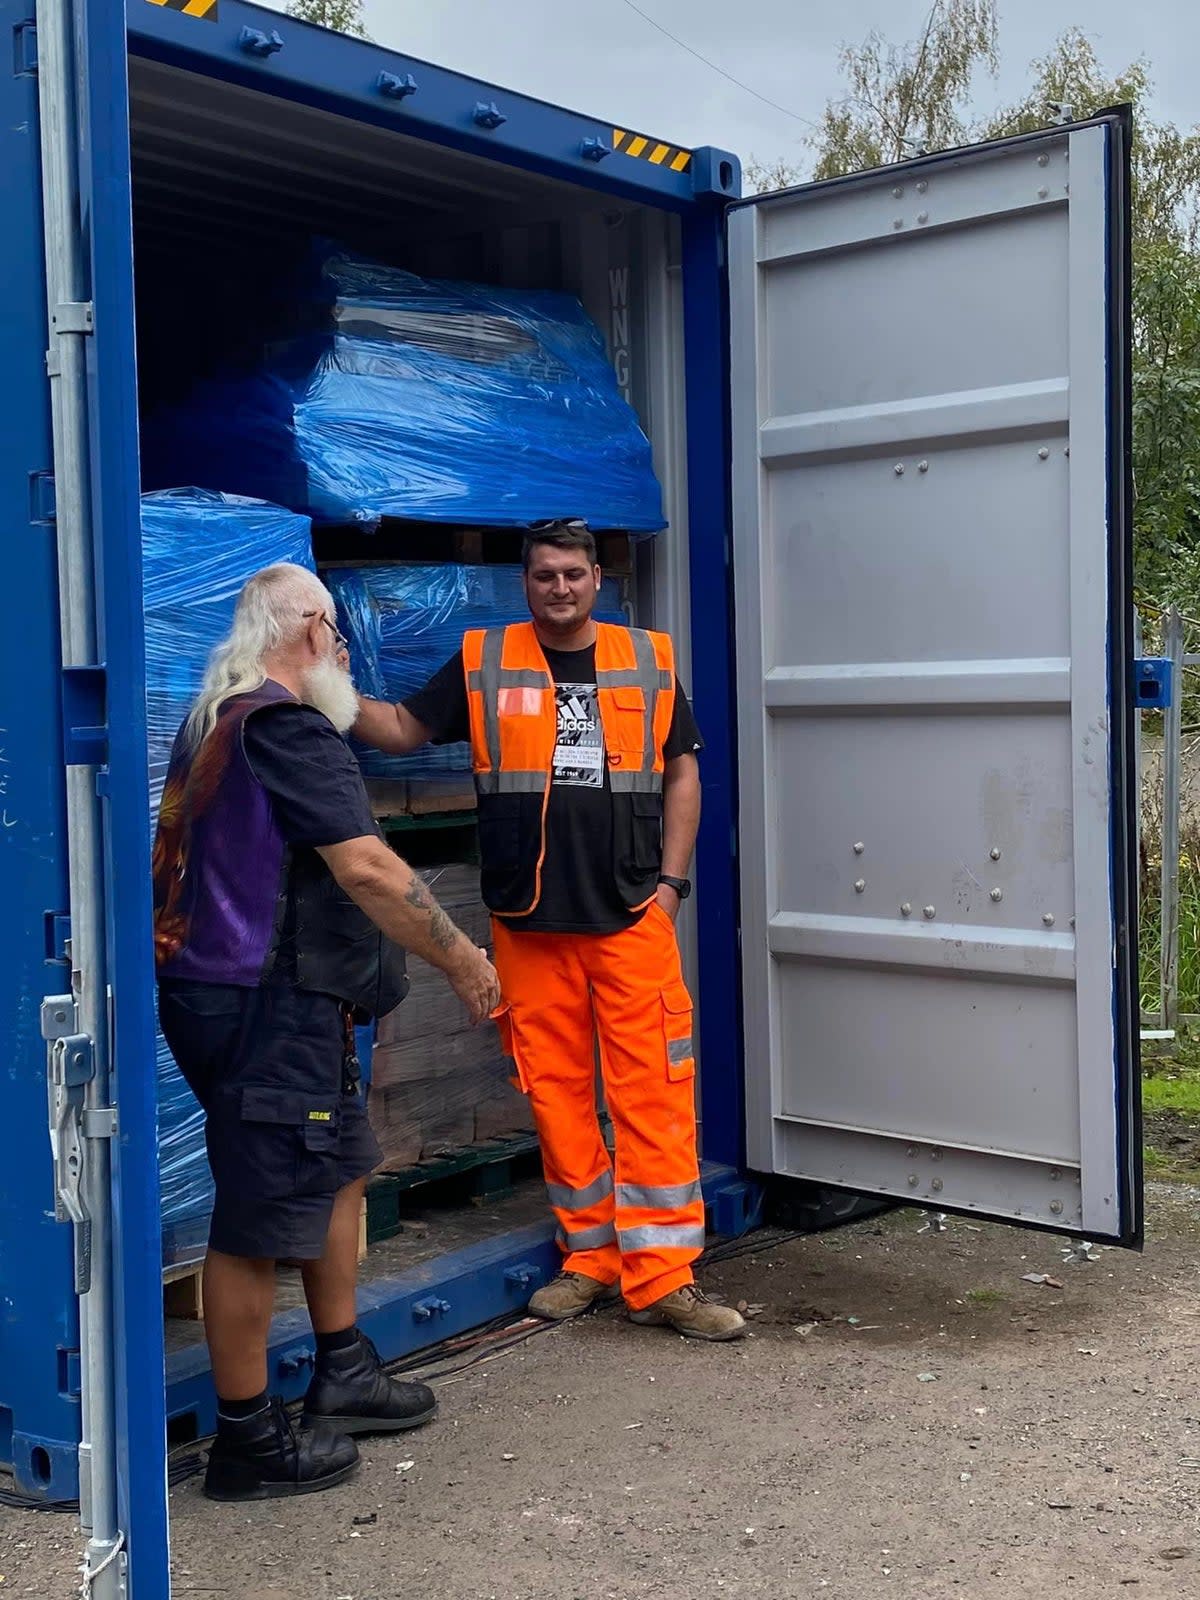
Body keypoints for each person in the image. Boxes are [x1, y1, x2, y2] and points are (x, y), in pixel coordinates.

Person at [152, 563, 501, 1501]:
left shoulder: (218, 720)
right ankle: (247, 1442)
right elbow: (371, 871)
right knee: (256, 1223)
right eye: (340, 635)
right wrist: (467, 960)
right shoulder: (289, 728)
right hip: (266, 1004)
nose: (344, 652)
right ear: (309, 628)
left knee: (342, 1162)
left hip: (258, 996)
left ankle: (341, 1369)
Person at [353, 521, 745, 1342]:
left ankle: (665, 1277)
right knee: (556, 1097)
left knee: (654, 1097)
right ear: (524, 584)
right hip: (529, 924)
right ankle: (591, 1260)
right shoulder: (484, 660)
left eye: (572, 574)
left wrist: (671, 888)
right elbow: (397, 731)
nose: (559, 588)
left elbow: (684, 772)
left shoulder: (649, 658)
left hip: (630, 914)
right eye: (543, 577)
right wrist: (316, 686)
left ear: (596, 578)